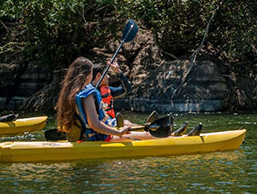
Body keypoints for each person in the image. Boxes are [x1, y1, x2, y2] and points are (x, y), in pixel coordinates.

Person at [55, 57, 198, 142]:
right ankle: (180, 140)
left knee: (133, 129)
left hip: (87, 138)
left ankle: (172, 135)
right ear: (87, 74)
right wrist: (117, 132)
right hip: (99, 138)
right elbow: (93, 124)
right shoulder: (87, 96)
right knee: (144, 135)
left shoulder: (70, 93)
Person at [91, 62, 135, 126]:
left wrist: (118, 72)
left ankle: (145, 128)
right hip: (101, 125)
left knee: (127, 122)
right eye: (106, 74)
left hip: (111, 121)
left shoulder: (108, 90)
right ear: (98, 75)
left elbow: (128, 90)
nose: (108, 77)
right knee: (126, 123)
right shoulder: (89, 92)